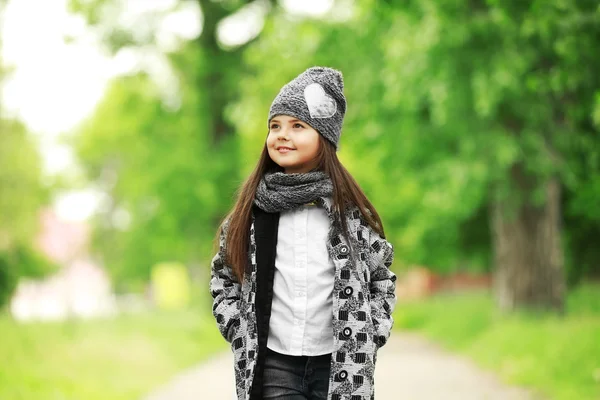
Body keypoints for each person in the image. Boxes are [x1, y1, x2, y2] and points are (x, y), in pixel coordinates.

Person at [210, 66, 396, 400]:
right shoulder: (251, 215)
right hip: (273, 363)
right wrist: (239, 330)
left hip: (340, 363)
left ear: (324, 138)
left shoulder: (351, 215)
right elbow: (223, 277)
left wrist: (371, 330)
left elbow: (382, 277)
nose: (282, 134)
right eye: (275, 126)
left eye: (298, 126)